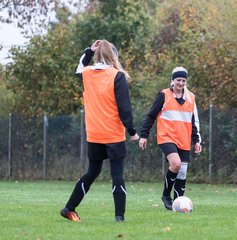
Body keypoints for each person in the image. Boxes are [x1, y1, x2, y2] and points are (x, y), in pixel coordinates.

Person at [60, 39, 139, 223]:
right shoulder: (116, 75)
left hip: (94, 134)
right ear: (114, 56)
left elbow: (79, 67)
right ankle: (119, 217)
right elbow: (124, 108)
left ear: (97, 55)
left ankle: (69, 208)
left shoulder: (87, 73)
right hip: (113, 135)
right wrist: (132, 131)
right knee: (117, 174)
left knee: (92, 172)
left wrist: (88, 50)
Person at [139, 66, 202, 210]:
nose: (180, 83)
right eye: (178, 80)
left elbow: (193, 121)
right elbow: (151, 115)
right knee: (176, 164)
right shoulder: (164, 95)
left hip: (184, 138)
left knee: (182, 173)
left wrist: (197, 140)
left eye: (183, 80)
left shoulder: (191, 98)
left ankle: (179, 204)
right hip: (166, 137)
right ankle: (166, 195)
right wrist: (144, 135)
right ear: (173, 80)